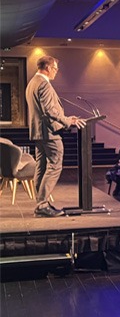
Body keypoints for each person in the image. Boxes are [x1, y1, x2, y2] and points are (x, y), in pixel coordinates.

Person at [25, 55, 85, 216]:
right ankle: (42, 205)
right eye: (55, 69)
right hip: (49, 133)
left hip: (38, 132)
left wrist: (67, 119)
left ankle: (41, 204)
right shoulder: (43, 84)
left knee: (42, 167)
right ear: (48, 68)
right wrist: (67, 120)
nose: (56, 72)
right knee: (55, 166)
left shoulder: (32, 83)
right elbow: (49, 110)